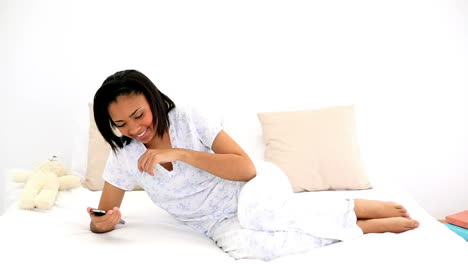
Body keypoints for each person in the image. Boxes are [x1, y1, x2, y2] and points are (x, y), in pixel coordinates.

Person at [88, 69, 420, 261]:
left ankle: (355, 206)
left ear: (153, 99)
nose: (133, 129)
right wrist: (101, 225)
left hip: (254, 185)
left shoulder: (189, 117)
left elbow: (245, 167)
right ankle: (358, 227)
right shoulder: (124, 156)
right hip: (215, 223)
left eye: (138, 115)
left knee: (262, 215)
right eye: (121, 123)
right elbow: (104, 214)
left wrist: (180, 154)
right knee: (247, 247)